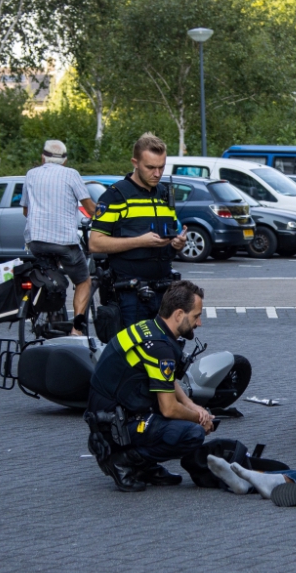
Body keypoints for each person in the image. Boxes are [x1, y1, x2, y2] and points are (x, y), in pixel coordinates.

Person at [84, 280, 214, 492]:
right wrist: (201, 419)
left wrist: (191, 404)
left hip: (107, 414)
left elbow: (164, 378)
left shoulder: (150, 328)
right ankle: (123, 460)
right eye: (196, 316)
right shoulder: (161, 348)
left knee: (178, 416)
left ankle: (144, 465)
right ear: (179, 314)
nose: (199, 323)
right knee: (192, 433)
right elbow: (169, 408)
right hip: (114, 424)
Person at [89, 133, 187, 327]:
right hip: (130, 293)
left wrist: (177, 243)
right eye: (150, 167)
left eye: (161, 167)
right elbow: (95, 242)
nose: (157, 173)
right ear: (135, 162)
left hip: (164, 290)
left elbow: (169, 237)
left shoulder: (164, 193)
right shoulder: (116, 196)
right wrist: (140, 241)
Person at [21, 140, 97, 333]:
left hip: (36, 241)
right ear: (65, 160)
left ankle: (50, 316)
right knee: (83, 280)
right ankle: (77, 329)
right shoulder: (71, 174)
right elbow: (90, 209)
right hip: (64, 241)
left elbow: (25, 211)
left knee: (50, 271)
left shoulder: (31, 174)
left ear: (42, 157)